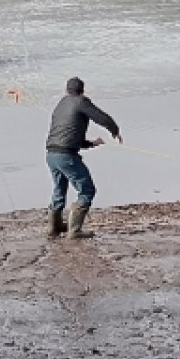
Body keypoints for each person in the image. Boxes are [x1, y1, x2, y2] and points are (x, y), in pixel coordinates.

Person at [45, 77, 121, 239]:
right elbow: (101, 117)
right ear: (82, 90)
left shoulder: (61, 104)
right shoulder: (81, 102)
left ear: (66, 90)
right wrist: (114, 130)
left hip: (51, 155)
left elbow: (66, 134)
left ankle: (54, 227)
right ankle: (74, 230)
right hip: (66, 156)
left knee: (59, 190)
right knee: (87, 190)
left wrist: (91, 144)